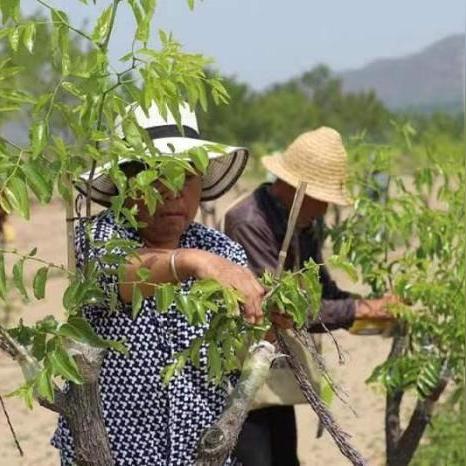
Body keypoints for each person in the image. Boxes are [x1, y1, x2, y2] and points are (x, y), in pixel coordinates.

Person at [51, 103, 266, 466]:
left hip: (199, 454)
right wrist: (190, 262)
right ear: (126, 182)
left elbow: (237, 354)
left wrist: (269, 324)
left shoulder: (221, 250)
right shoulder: (100, 236)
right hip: (111, 453)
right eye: (157, 176)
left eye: (187, 176)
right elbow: (117, 275)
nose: (173, 193)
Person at [223, 127, 397, 466]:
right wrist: (358, 308)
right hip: (243, 367)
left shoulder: (303, 222)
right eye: (321, 197)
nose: (325, 209)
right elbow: (277, 308)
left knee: (285, 457)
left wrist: (368, 308)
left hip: (275, 365)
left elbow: (322, 290)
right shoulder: (249, 222)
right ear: (292, 187)